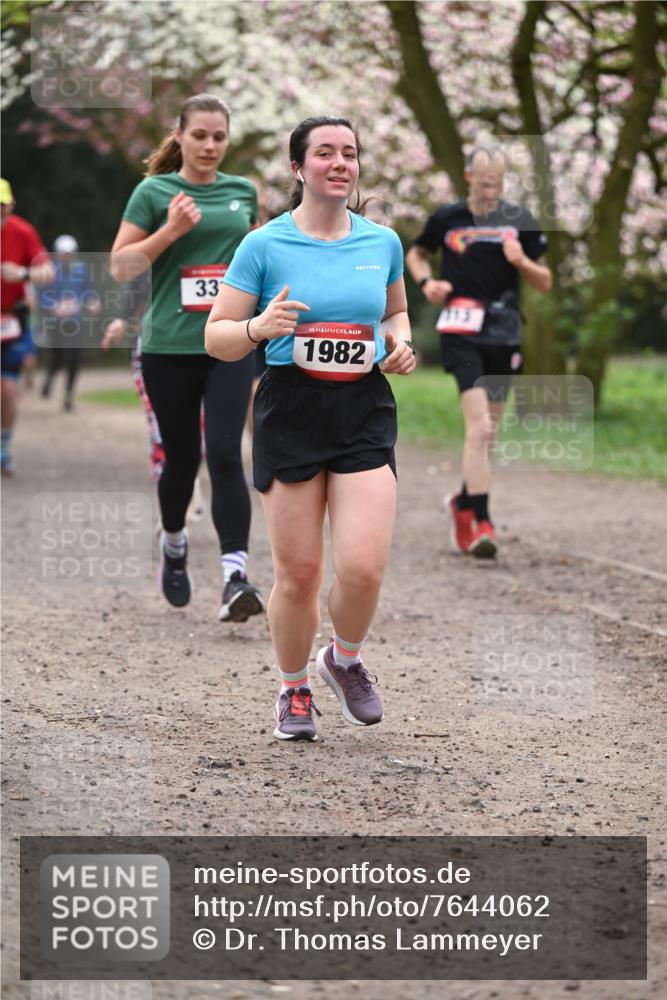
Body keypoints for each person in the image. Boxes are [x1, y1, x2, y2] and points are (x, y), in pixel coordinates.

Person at [206, 115, 416, 742]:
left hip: (362, 407)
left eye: (349, 152)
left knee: (364, 567)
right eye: (325, 152)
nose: (340, 162)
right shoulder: (263, 245)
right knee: (299, 575)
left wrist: (400, 345)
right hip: (290, 408)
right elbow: (216, 336)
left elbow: (396, 314)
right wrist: (257, 328)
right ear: (298, 168)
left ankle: (343, 660)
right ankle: (293, 687)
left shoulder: (382, 243)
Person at [110, 93, 264, 622]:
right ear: (179, 135)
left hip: (228, 343)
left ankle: (234, 578)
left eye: (219, 136)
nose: (209, 145)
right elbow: (121, 266)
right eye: (199, 135)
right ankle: (173, 542)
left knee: (226, 454)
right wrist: (170, 231)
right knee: (182, 459)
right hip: (168, 347)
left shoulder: (242, 191)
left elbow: (259, 259)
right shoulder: (154, 192)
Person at [405, 145, 552, 558]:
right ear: (469, 177)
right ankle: (483, 523)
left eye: (498, 183)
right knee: (480, 426)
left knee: (489, 434)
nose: (492, 190)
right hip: (461, 330)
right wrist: (427, 283)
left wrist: (522, 261)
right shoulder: (447, 218)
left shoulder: (520, 221)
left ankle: (463, 503)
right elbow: (417, 253)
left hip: (504, 334)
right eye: (485, 182)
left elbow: (544, 282)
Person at [1, 178, 54, 475]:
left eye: (1, 204)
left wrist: (22, 273)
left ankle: (3, 449)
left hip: (10, 320)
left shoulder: (22, 231)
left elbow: (48, 272)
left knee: (7, 389)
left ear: (11, 205)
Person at [40, 234, 101, 412]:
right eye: (64, 254)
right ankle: (49, 379)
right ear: (58, 254)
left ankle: (68, 396)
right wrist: (54, 306)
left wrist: (92, 301)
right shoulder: (49, 270)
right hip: (56, 321)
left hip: (75, 320)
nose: (67, 257)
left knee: (75, 357)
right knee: (58, 357)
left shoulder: (81, 269)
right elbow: (41, 295)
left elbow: (87, 290)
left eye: (70, 253)